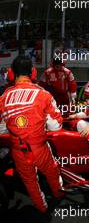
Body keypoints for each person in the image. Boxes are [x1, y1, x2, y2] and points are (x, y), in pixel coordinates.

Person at [0, 55, 63, 213]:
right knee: (52, 171)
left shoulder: (3, 98)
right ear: (33, 73)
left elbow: (1, 130)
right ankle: (58, 194)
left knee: (30, 181)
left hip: (18, 149)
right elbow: (56, 126)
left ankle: (41, 207)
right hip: (40, 147)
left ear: (11, 73)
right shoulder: (43, 94)